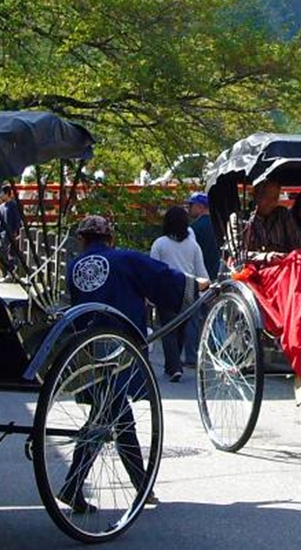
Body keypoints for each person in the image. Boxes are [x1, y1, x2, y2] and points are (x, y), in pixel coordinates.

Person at [60, 215, 208, 512]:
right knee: (108, 416)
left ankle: (139, 487)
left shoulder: (74, 266)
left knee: (115, 415)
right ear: (109, 239)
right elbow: (163, 279)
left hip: (85, 350)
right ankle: (77, 486)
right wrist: (197, 284)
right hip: (118, 349)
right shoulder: (124, 259)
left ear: (82, 240)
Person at [150, 206, 209, 382]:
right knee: (182, 328)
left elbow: (153, 269)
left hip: (167, 287)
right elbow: (202, 272)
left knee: (168, 329)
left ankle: (174, 367)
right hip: (189, 288)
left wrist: (149, 293)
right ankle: (172, 366)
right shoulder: (193, 245)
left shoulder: (160, 243)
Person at [186, 192, 219, 368]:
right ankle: (219, 353)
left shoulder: (193, 229)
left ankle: (193, 356)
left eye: (191, 205)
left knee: (195, 318)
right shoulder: (219, 225)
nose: (189, 209)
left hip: (200, 278)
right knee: (217, 315)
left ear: (200, 206)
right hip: (219, 276)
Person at [243, 179, 301, 262]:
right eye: (266, 197)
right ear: (255, 195)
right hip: (254, 270)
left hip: (284, 267)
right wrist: (266, 256)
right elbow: (238, 255)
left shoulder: (283, 214)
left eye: (275, 198)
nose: (270, 202)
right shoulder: (241, 218)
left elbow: (299, 246)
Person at [0, 185, 23, 277]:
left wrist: (15, 232)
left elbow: (17, 220)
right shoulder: (1, 207)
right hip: (1, 233)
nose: (0, 195)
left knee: (7, 252)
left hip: (9, 233)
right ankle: (7, 272)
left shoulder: (13, 206)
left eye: (2, 193)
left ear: (7, 193)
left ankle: (11, 272)